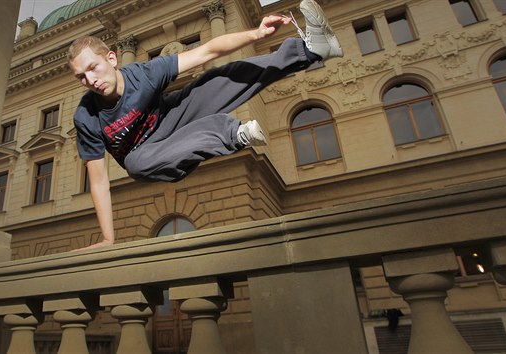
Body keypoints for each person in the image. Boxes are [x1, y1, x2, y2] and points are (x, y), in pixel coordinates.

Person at [68, 0, 343, 249]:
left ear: (112, 59)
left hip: (171, 119)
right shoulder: (86, 116)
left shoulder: (145, 74)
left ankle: (312, 51)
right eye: (81, 76)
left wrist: (257, 34)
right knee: (135, 164)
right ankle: (233, 134)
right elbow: (100, 181)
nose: (91, 80)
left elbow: (207, 51)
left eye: (93, 68)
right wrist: (107, 238)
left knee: (218, 78)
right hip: (148, 155)